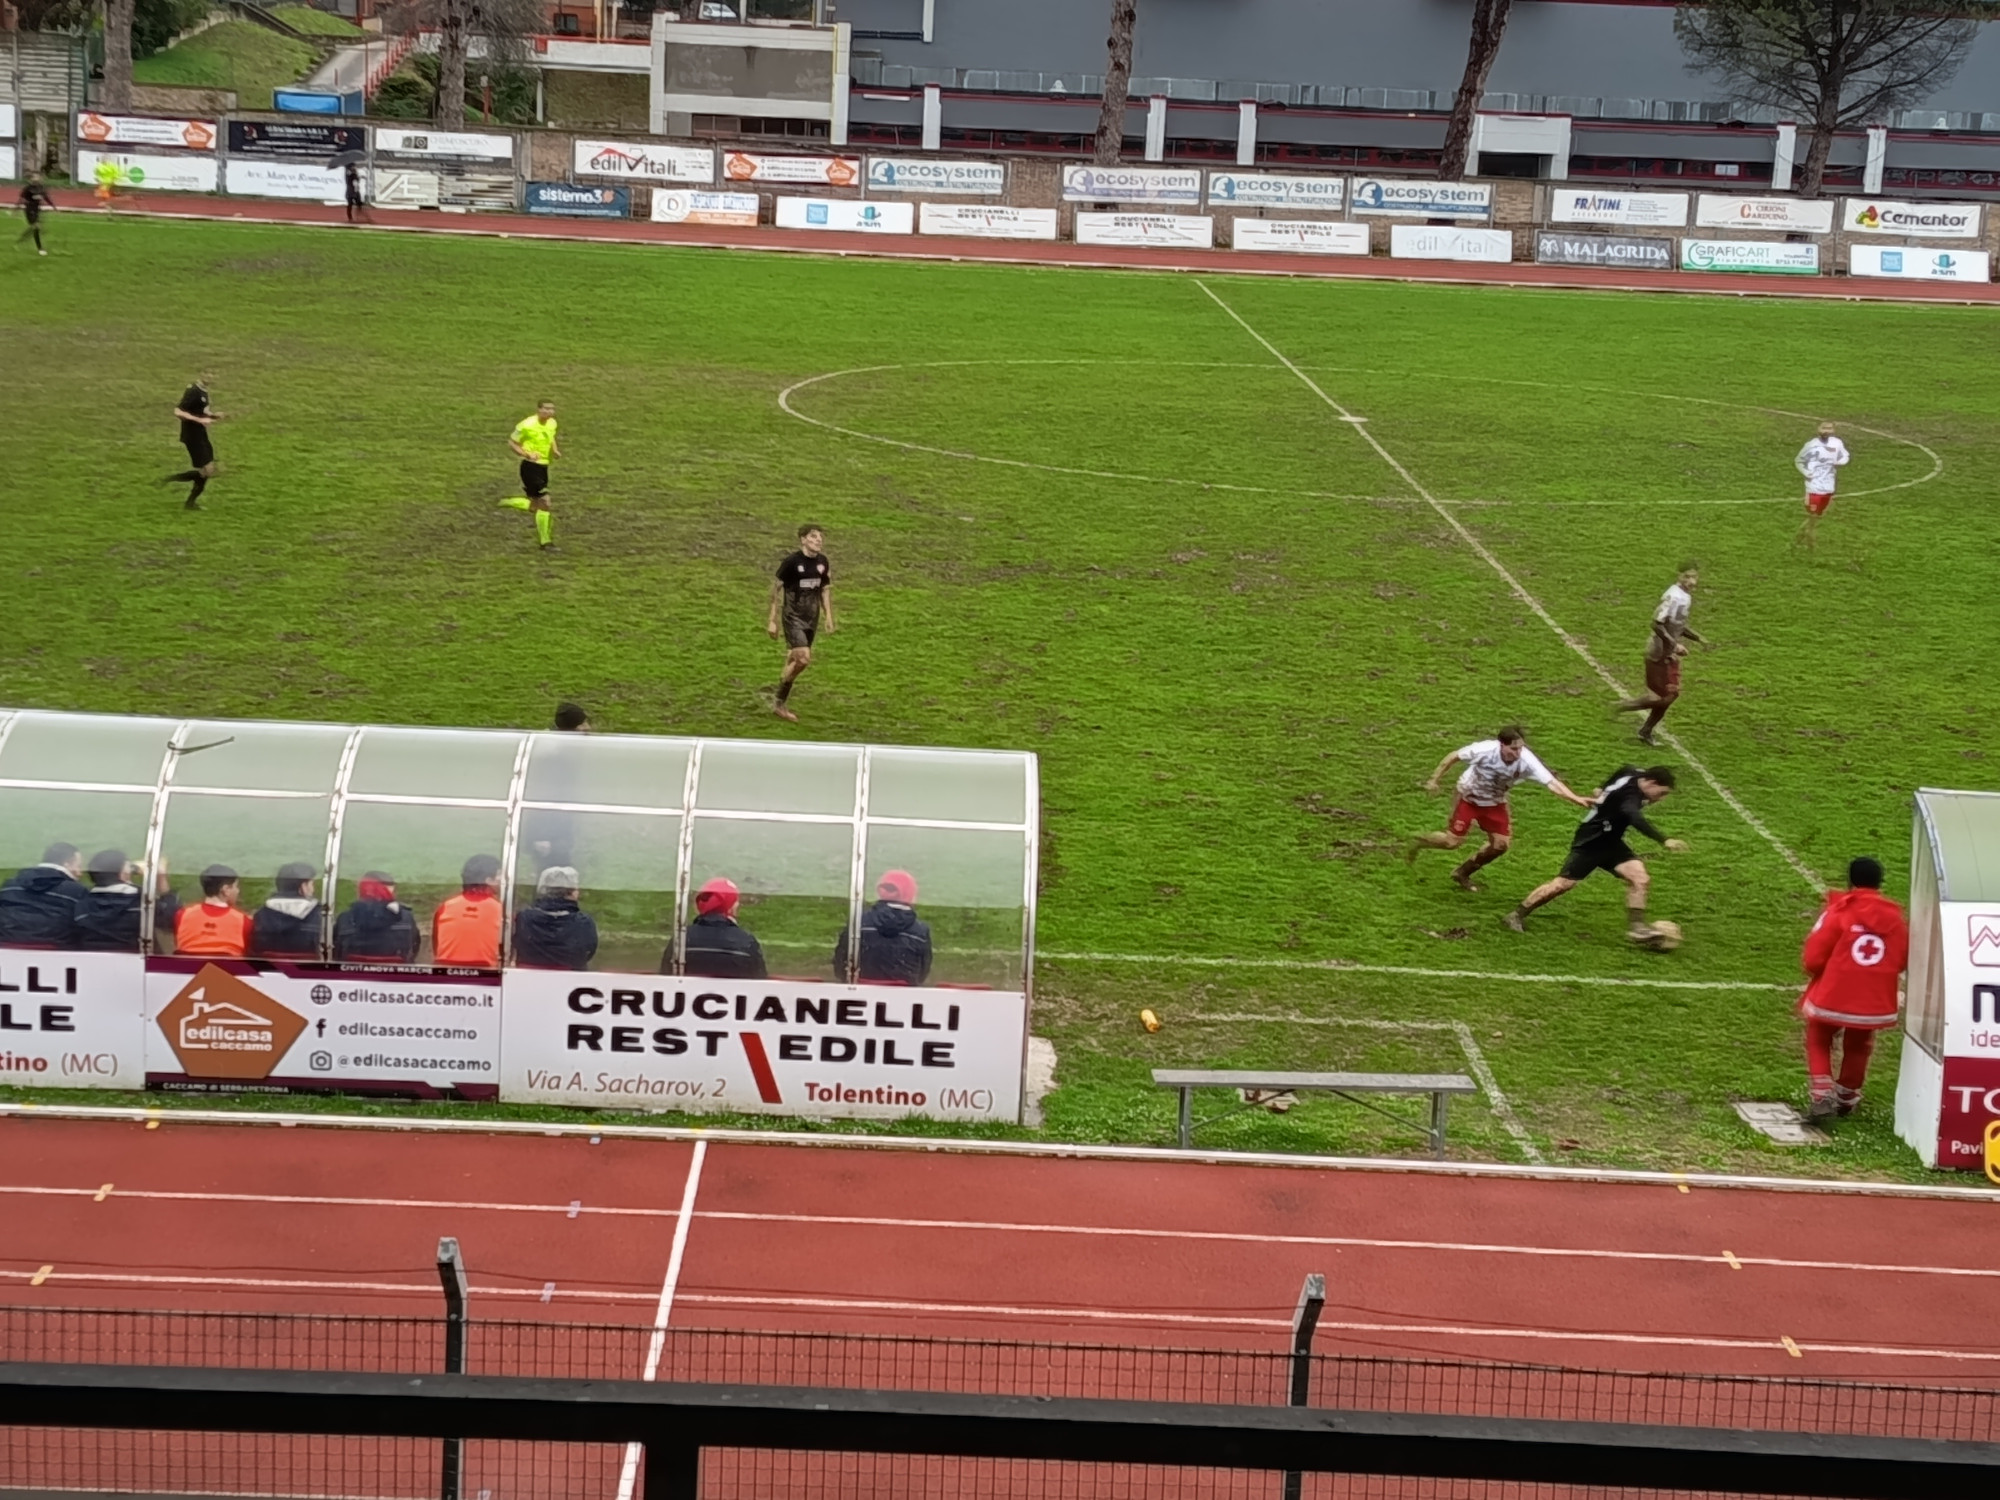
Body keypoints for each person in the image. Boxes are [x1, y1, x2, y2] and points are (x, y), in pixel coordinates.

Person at [1504, 767, 1688, 941]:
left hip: (1612, 841)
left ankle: (1637, 927)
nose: (1661, 798)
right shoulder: (1629, 798)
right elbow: (1634, 817)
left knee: (1639, 879)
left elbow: (1625, 768)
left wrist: (1602, 788)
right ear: (1651, 783)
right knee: (1563, 884)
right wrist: (1664, 840)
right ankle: (1516, 915)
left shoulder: (1636, 773)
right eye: (1662, 793)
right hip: (1592, 841)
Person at [1409, 726, 1595, 891]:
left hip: (1494, 802)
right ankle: (1419, 842)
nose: (1518, 753)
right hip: (1468, 798)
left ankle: (1462, 873)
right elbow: (1454, 756)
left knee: (1500, 845)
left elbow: (1552, 783)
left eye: (1520, 748)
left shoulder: (1527, 760)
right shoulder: (1484, 750)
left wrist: (1576, 799)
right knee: (1452, 842)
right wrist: (1434, 780)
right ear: (1501, 745)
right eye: (1513, 749)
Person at [1799, 857, 1908, 1121]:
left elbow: (1814, 957)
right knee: (1860, 1044)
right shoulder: (1896, 918)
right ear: (1880, 883)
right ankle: (1847, 1096)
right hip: (1874, 1000)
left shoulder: (1840, 911)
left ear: (1850, 881)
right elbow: (1902, 959)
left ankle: (1822, 1095)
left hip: (1835, 993)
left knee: (1819, 1036)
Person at [1614, 565, 1705, 746]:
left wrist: (1697, 638)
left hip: (1668, 654)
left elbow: (1677, 625)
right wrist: (1673, 644)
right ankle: (1621, 709)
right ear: (1679, 576)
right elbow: (1656, 623)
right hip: (1658, 653)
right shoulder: (1673, 597)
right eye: (1687, 576)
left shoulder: (1685, 596)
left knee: (1669, 695)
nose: (1691, 581)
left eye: (1694, 577)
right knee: (1661, 698)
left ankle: (1645, 730)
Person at [768, 524, 836, 723]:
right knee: (804, 659)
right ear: (803, 539)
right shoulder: (791, 562)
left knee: (794, 660)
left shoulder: (823, 562)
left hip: (811, 619)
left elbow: (824, 590)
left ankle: (781, 692)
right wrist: (772, 620)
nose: (819, 540)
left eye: (820, 537)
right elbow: (775, 590)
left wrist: (828, 616)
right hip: (793, 617)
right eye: (813, 537)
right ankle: (779, 701)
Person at [834, 870, 933, 986]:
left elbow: (841, 964)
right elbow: (922, 973)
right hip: (903, 995)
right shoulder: (920, 931)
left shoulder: (858, 923)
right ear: (910, 894)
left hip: (860, 992)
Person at [74, 850, 180, 952]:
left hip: (93, 961)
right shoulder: (141, 902)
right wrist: (162, 881)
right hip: (135, 961)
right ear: (123, 874)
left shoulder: (82, 905)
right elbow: (170, 921)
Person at [676, 877, 767, 979]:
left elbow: (667, 975)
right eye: (735, 901)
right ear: (730, 907)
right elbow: (760, 982)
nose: (738, 905)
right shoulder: (746, 942)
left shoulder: (681, 939)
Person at [0, 842, 89, 947]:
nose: (80, 873)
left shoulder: (9, 885)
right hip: (58, 951)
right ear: (67, 863)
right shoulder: (76, 891)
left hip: (7, 948)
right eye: (78, 866)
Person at [502, 400, 562, 549]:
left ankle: (508, 502)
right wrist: (526, 454)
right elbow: (512, 442)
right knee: (545, 502)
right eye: (546, 409)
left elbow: (551, 436)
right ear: (538, 409)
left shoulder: (552, 423)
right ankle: (545, 542)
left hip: (543, 467)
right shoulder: (526, 425)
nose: (549, 412)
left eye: (552, 409)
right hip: (530, 467)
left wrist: (554, 450)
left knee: (535, 507)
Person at [512, 866, 598, 970]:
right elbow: (589, 952)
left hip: (527, 977)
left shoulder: (523, 918)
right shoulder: (584, 923)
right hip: (571, 977)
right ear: (572, 892)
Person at [332, 871, 421, 964]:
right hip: (397, 972)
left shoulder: (345, 919)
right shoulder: (406, 918)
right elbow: (413, 948)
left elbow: (336, 953)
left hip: (352, 972)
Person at [163, 376, 224, 511]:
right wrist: (199, 420)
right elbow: (178, 412)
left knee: (207, 471)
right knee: (207, 471)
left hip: (201, 435)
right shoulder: (193, 391)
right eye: (208, 374)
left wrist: (213, 416)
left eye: (214, 374)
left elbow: (201, 411)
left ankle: (188, 502)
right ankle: (169, 481)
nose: (212, 377)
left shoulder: (203, 390)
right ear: (201, 374)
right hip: (192, 436)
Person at [433, 854, 504, 968]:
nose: (503, 879)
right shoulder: (500, 910)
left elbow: (436, 946)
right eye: (500, 874)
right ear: (489, 880)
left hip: (444, 972)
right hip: (486, 974)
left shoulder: (446, 907)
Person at [1793, 421, 1851, 553]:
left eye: (1829, 428)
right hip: (1813, 487)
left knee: (1816, 517)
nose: (1826, 431)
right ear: (1818, 429)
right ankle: (1811, 549)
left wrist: (1839, 462)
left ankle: (1796, 541)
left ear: (1833, 431)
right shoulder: (1811, 445)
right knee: (1813, 517)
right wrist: (1806, 473)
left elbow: (1845, 456)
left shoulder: (1837, 443)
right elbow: (1799, 460)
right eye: (1824, 428)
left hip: (1829, 487)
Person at [247, 861, 324, 960]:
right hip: (309, 969)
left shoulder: (261, 916)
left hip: (268, 968)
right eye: (312, 884)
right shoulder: (320, 916)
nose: (313, 889)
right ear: (303, 886)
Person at [174, 864, 252, 957]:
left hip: (187, 965)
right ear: (226, 889)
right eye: (236, 886)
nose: (238, 891)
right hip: (226, 966)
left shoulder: (182, 915)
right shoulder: (243, 921)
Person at [18, 174, 53, 257]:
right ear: (31, 180)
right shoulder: (27, 189)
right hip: (29, 210)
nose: (37, 180)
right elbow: (21, 199)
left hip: (37, 210)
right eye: (35, 178)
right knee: (36, 227)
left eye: (38, 178)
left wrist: (53, 206)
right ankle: (40, 249)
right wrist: (16, 209)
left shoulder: (41, 188)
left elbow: (46, 197)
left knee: (36, 228)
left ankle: (24, 237)